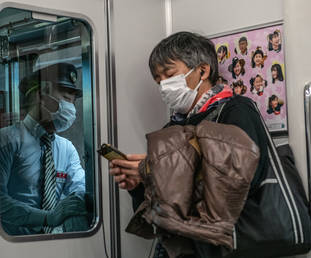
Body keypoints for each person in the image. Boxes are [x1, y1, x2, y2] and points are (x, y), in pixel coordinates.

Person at [109, 31, 269, 258]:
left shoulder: (236, 111)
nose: (163, 86)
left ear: (203, 71)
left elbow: (238, 178)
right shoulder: (170, 129)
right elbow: (163, 211)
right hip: (178, 248)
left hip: (224, 248)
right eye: (158, 80)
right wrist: (139, 185)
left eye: (169, 75)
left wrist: (152, 171)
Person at [0, 62, 88, 235]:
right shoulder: (6, 141)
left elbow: (79, 191)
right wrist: (47, 218)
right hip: (12, 245)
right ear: (42, 96)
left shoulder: (67, 149)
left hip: (54, 243)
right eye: (66, 99)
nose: (71, 108)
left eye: (73, 102)